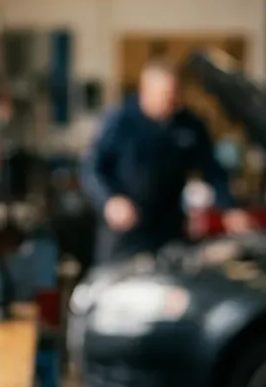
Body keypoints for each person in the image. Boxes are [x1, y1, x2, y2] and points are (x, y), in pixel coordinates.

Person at [81, 56, 252, 263]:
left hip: (169, 230)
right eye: (163, 95)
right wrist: (109, 200)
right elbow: (92, 168)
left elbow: (213, 169)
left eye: (173, 94)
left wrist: (230, 208)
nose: (170, 101)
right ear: (145, 91)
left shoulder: (189, 125)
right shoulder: (119, 121)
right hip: (125, 232)